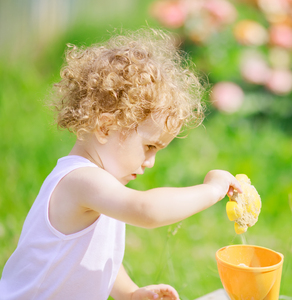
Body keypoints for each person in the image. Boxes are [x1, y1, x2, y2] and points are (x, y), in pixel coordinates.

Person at [0, 29, 242, 300]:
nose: (151, 162)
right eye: (149, 146)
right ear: (105, 128)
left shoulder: (101, 186)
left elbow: (94, 257)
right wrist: (211, 190)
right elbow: (147, 211)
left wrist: (129, 293)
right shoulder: (81, 181)